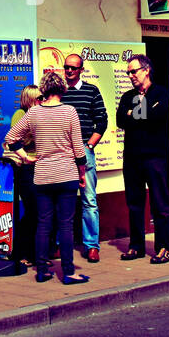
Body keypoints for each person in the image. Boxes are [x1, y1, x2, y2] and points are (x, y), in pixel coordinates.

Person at [4, 71, 89, 285]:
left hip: (42, 175)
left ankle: (41, 271)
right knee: (66, 225)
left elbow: (10, 138)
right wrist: (82, 173)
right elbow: (79, 148)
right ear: (62, 89)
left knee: (43, 223)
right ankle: (68, 273)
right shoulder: (70, 112)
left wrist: (24, 156)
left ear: (44, 90)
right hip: (66, 173)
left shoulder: (34, 113)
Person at [116, 54, 169, 263]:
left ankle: (165, 248)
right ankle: (136, 246)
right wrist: (138, 113)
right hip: (132, 158)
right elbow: (120, 119)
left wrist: (134, 114)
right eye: (128, 72)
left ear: (146, 70)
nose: (130, 75)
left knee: (160, 204)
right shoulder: (126, 96)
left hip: (155, 157)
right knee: (134, 204)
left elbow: (157, 116)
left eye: (134, 71)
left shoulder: (162, 93)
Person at [60, 54, 108, 263]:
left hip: (84, 151)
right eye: (66, 67)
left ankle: (91, 246)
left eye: (73, 68)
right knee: (63, 200)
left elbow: (102, 121)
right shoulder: (59, 93)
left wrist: (89, 145)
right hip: (62, 153)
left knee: (89, 199)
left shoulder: (91, 91)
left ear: (81, 69)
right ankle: (63, 245)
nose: (69, 71)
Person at [6, 85, 42, 266]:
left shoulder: (39, 114)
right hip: (26, 168)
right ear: (30, 100)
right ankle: (21, 252)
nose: (41, 101)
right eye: (38, 98)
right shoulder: (21, 115)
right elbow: (15, 141)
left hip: (40, 167)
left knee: (40, 211)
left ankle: (36, 254)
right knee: (33, 210)